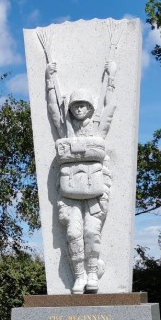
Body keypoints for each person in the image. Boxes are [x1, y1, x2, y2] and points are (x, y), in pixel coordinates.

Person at [45, 59, 117, 293]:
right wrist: (49, 80)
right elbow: (53, 108)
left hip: (96, 191)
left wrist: (112, 78)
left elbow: (110, 108)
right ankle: (79, 275)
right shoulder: (64, 129)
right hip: (69, 193)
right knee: (74, 233)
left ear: (90, 107)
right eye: (75, 105)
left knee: (90, 232)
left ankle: (93, 272)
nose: (78, 109)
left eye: (83, 105)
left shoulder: (98, 128)